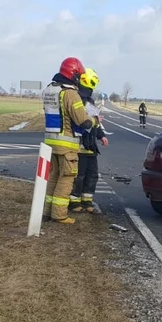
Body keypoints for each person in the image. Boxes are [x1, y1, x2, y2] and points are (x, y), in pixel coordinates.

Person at [42, 57, 95, 224]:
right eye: (78, 76)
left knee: (53, 177)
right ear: (73, 75)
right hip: (66, 144)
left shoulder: (50, 89)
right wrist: (95, 120)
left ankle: (47, 211)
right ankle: (59, 215)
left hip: (51, 142)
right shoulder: (70, 93)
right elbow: (83, 121)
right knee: (66, 179)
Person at [70, 68, 108, 214]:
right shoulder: (77, 100)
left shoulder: (90, 102)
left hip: (90, 146)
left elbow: (95, 123)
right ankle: (74, 203)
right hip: (80, 146)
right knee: (79, 176)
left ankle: (87, 202)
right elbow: (82, 122)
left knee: (92, 175)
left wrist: (101, 135)